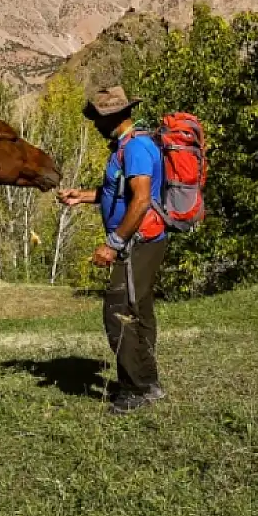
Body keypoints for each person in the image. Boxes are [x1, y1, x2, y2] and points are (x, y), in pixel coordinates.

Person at [56, 86, 169, 414]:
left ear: (115, 118)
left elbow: (142, 199)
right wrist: (84, 196)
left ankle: (134, 390)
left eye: (98, 118)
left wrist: (113, 244)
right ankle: (148, 382)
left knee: (117, 311)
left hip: (138, 243)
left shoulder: (135, 149)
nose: (95, 124)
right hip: (142, 241)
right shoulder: (126, 147)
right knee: (138, 309)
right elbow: (115, 190)